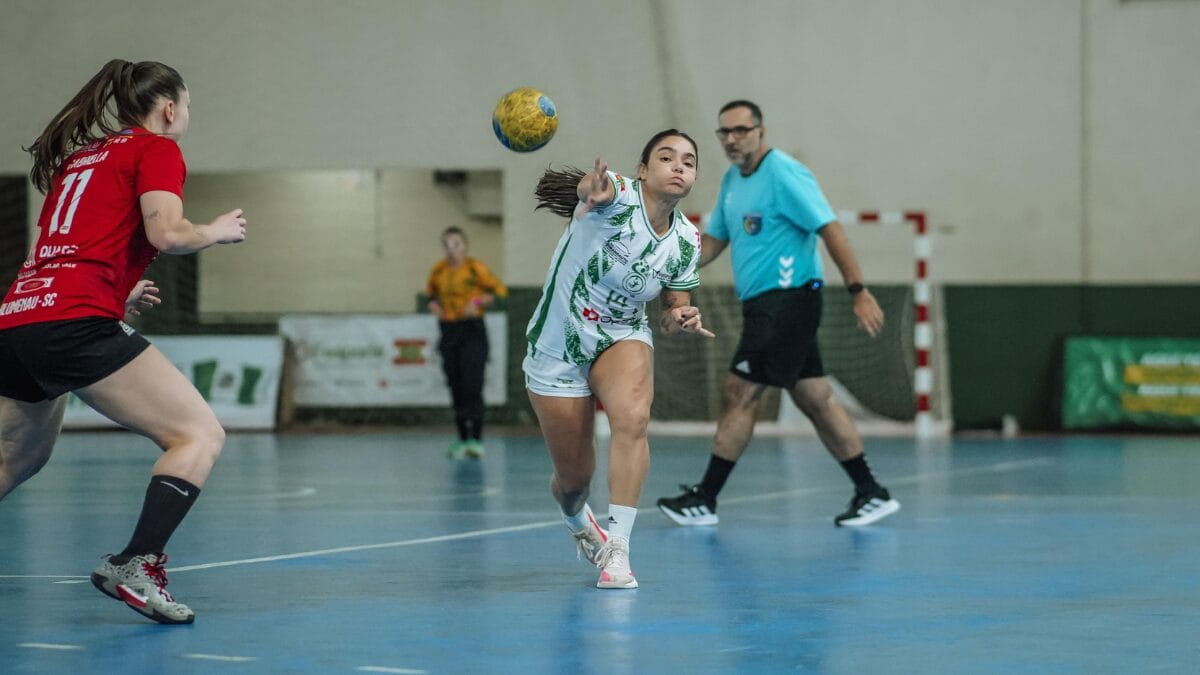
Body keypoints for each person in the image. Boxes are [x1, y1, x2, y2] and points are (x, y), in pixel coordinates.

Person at [0, 59, 247, 624]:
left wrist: (115, 294)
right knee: (198, 435)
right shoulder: (155, 148)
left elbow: (71, 243)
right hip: (71, 321)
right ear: (168, 108)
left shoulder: (82, 157)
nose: (186, 114)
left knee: (16, 459)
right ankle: (136, 564)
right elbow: (167, 232)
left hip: (19, 315)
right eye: (186, 104)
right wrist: (215, 231)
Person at [656, 100, 900, 528]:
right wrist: (672, 266)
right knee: (815, 398)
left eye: (740, 130)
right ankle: (870, 491)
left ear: (760, 131)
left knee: (740, 391)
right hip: (763, 306)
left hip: (788, 300)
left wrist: (858, 290)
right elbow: (714, 241)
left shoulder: (784, 174)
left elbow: (831, 228)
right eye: (724, 133)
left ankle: (705, 499)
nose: (732, 139)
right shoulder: (732, 182)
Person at [526, 130, 714, 589]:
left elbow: (671, 311)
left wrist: (681, 318)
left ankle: (618, 549)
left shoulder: (686, 241)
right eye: (666, 157)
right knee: (573, 481)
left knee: (632, 418)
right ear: (644, 170)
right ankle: (578, 522)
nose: (678, 166)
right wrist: (589, 192)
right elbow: (592, 190)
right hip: (557, 343)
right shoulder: (615, 194)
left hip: (621, 334)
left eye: (688, 161)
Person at [425, 226, 508, 459]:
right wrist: (434, 305)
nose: (452, 249)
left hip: (472, 331)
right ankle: (461, 438)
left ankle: (476, 440)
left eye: (457, 244)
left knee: (473, 384)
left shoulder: (475, 268)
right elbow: (431, 295)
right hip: (449, 331)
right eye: (448, 245)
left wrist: (479, 302)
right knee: (455, 385)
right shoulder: (438, 271)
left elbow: (498, 291)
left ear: (465, 246)